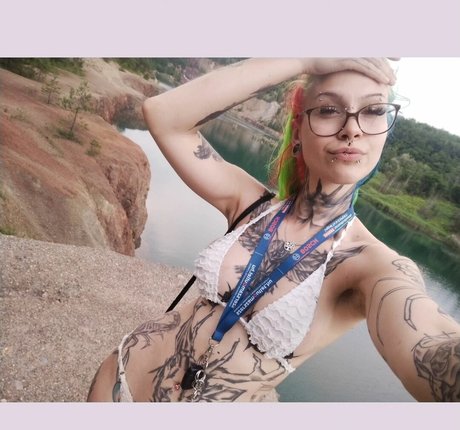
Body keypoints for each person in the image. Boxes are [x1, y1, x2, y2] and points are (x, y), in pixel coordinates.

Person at [87, 58, 460, 402]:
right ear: (298, 130)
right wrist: (303, 59)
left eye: (374, 111)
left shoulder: (372, 266)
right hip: (118, 377)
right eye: (329, 109)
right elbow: (163, 114)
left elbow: (431, 351)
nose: (351, 129)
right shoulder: (252, 205)